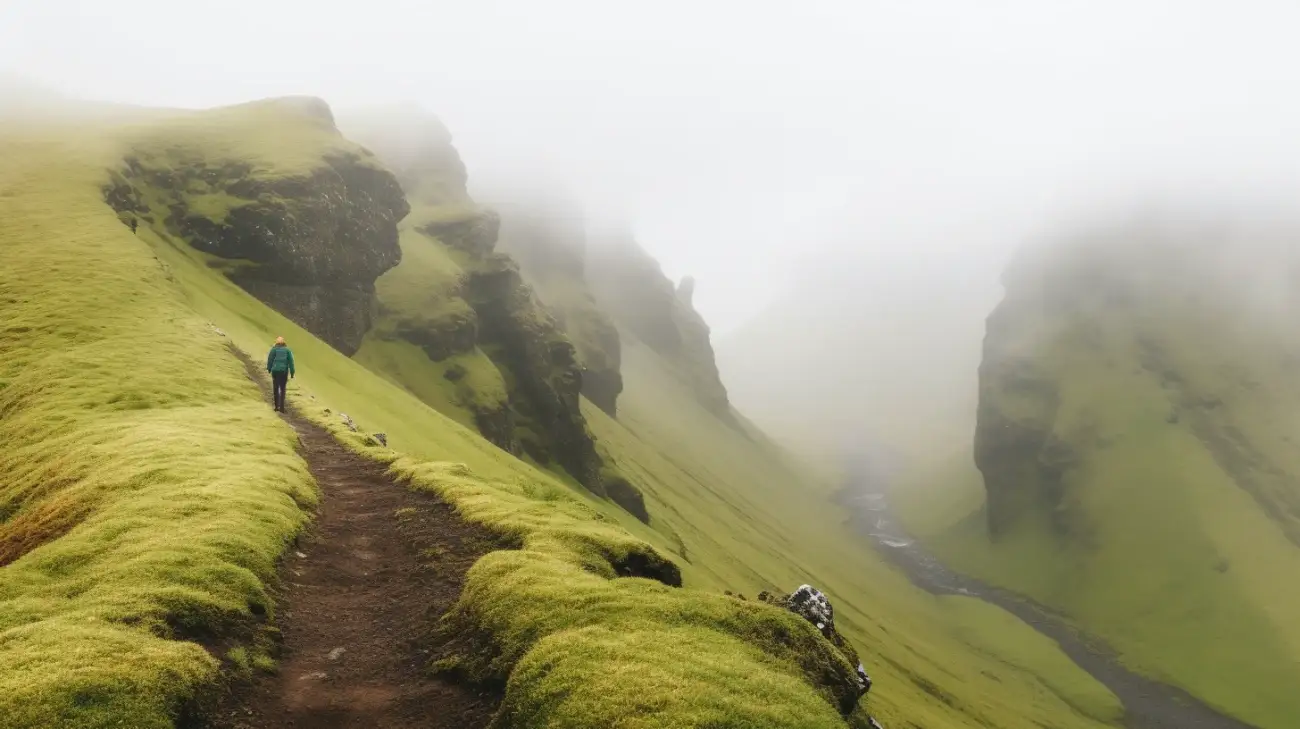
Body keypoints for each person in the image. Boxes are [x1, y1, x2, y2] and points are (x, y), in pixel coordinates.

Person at [266, 336, 295, 412]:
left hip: (275, 371)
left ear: (276, 342)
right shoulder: (287, 350)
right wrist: (292, 372)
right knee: (282, 388)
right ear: (284, 343)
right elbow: (291, 362)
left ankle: (276, 407)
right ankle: (282, 407)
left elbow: (270, 360)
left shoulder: (273, 350)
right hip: (283, 372)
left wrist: (269, 369)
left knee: (275, 388)